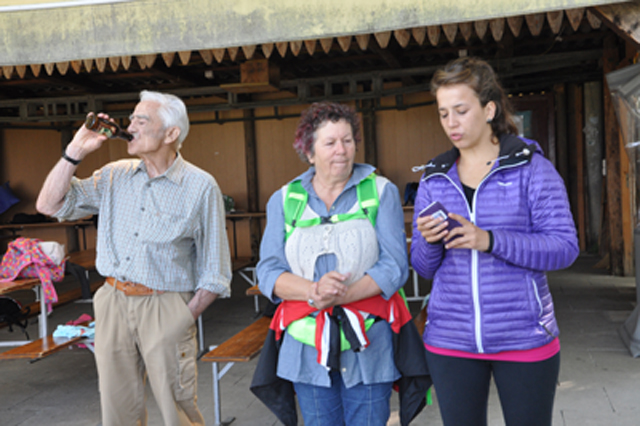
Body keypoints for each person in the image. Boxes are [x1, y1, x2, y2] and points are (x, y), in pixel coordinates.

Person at [36, 90, 232, 426]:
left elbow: (216, 270)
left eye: (142, 120)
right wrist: (75, 151)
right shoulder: (114, 175)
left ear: (171, 133)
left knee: (177, 408)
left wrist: (183, 317)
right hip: (112, 300)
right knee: (118, 410)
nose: (130, 127)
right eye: (131, 120)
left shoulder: (200, 186)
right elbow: (48, 205)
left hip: (166, 304)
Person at [411, 56, 579, 426]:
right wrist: (429, 241)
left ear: (489, 110)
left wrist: (490, 240)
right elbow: (423, 267)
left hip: (524, 337)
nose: (451, 123)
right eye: (443, 113)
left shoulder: (531, 169)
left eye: (461, 111)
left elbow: (564, 247)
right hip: (450, 339)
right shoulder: (434, 179)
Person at [250, 102, 431, 426]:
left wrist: (342, 295)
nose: (342, 150)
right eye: (330, 142)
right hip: (306, 347)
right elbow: (268, 271)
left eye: (347, 140)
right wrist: (313, 291)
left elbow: (394, 266)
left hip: (370, 344)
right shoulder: (284, 199)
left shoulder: (381, 192)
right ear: (309, 152)